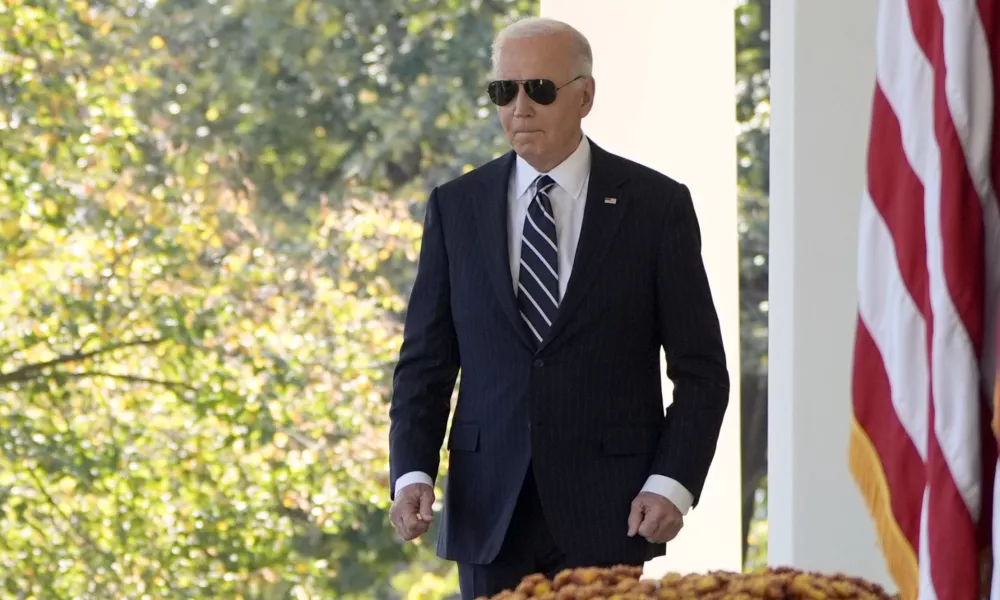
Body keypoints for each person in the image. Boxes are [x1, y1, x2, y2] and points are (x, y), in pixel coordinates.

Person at [387, 16, 730, 600]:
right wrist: (412, 472)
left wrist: (672, 483)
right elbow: (425, 362)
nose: (519, 108)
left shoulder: (657, 206)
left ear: (585, 96)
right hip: (488, 508)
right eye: (504, 91)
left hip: (612, 512)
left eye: (539, 90)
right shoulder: (455, 207)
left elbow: (701, 372)